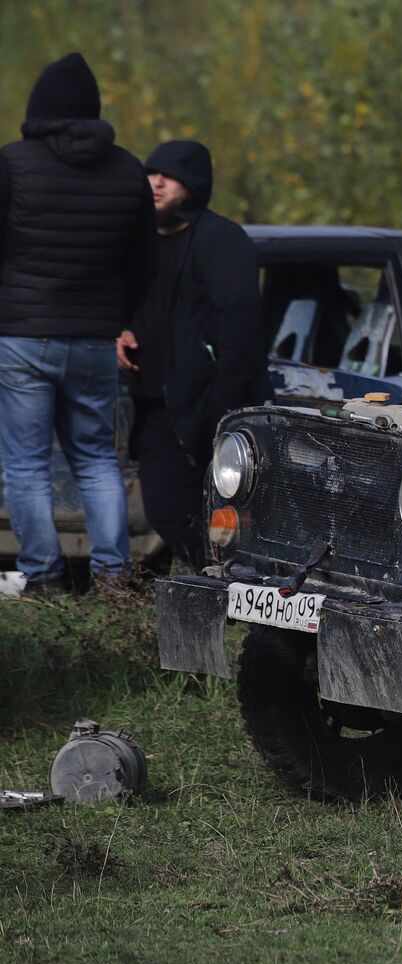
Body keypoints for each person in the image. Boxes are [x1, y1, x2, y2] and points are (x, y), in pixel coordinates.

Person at [0, 52, 157, 592]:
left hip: (21, 335)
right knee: (95, 459)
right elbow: (144, 262)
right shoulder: (129, 169)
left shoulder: (12, 163)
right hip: (93, 338)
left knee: (26, 466)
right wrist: (117, 317)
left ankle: (43, 578)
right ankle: (114, 576)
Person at [116, 140, 269, 569]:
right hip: (157, 409)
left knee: (236, 512)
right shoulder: (137, 240)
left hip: (214, 405)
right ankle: (216, 576)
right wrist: (117, 330)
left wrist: (224, 409)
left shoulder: (221, 239)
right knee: (166, 508)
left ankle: (234, 590)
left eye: (170, 175)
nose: (156, 182)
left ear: (194, 185)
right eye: (151, 173)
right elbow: (116, 300)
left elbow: (240, 328)